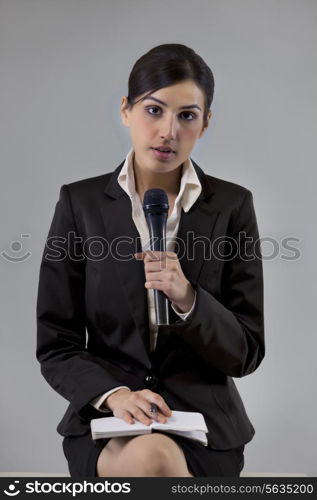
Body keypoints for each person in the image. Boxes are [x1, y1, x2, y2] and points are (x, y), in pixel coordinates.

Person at [36, 43, 265, 477]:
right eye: (154, 110)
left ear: (206, 122)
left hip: (206, 426)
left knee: (158, 459)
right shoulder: (79, 203)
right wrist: (115, 394)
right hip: (112, 418)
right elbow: (56, 343)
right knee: (149, 459)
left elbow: (246, 352)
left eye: (187, 116)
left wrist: (187, 298)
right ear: (126, 110)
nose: (168, 131)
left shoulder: (233, 205)